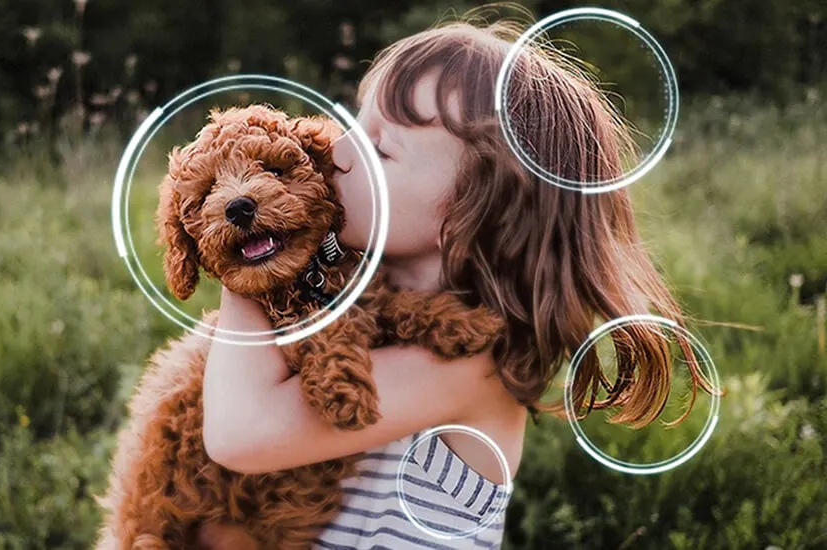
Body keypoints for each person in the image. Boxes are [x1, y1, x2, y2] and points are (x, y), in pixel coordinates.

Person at [198, 15, 714, 550]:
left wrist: (246, 264)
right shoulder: (361, 309)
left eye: (381, 149)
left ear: (470, 213)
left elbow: (239, 434)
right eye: (355, 122)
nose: (334, 151)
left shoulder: (466, 363)